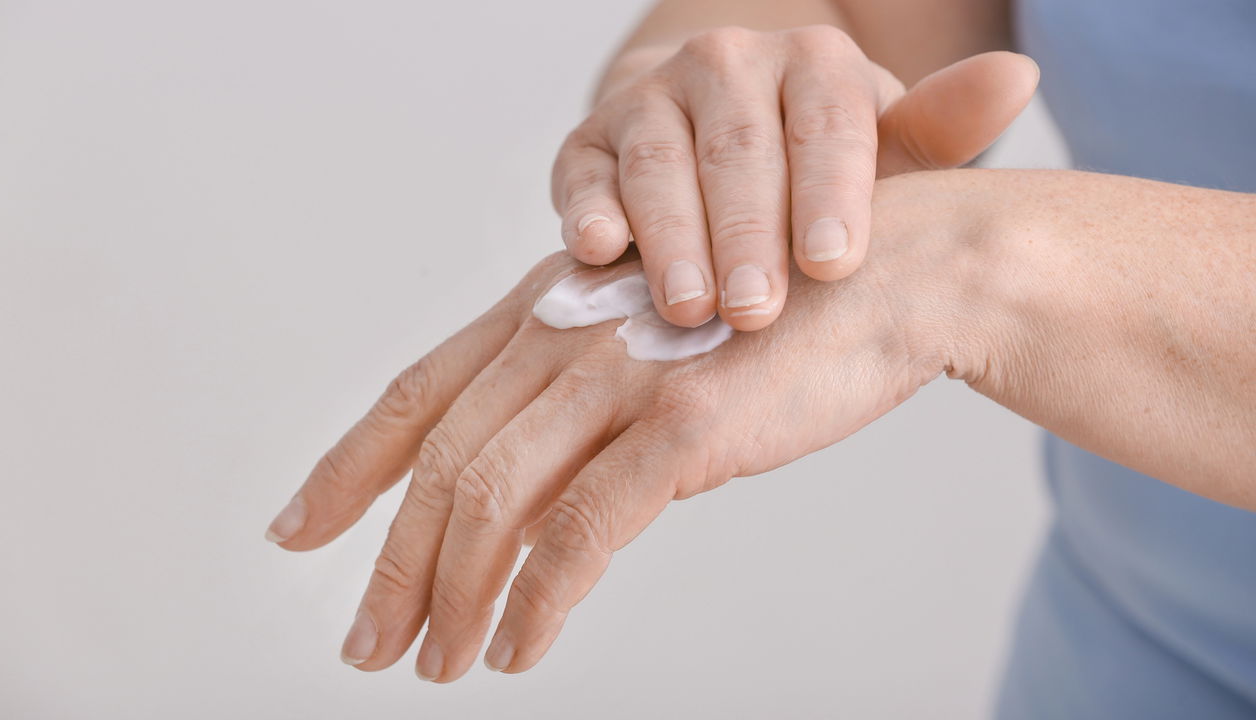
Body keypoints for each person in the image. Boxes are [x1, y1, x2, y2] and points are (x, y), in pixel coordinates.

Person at [265, 1, 1256, 716]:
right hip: (1124, 648)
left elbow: (967, 258)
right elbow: (855, 16)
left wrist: (988, 262)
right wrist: (713, 121)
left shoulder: (977, 260)